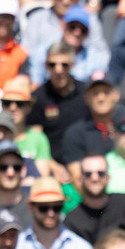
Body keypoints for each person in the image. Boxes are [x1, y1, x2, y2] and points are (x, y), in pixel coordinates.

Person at [26, 43, 86, 171]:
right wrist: (55, 168)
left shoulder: (86, 93)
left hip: (85, 165)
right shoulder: (37, 98)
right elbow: (35, 141)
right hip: (51, 166)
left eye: (64, 65)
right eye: (52, 65)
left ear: (73, 65)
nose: (58, 70)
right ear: (45, 65)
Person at [29, 5, 109, 87]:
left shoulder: (95, 58)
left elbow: (98, 88)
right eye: (72, 27)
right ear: (63, 25)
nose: (77, 33)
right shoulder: (42, 52)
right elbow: (36, 84)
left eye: (83, 30)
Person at [63, 152, 125, 245]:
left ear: (108, 177)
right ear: (80, 179)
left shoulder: (124, 204)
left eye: (100, 173)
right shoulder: (72, 219)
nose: (95, 178)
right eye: (88, 174)